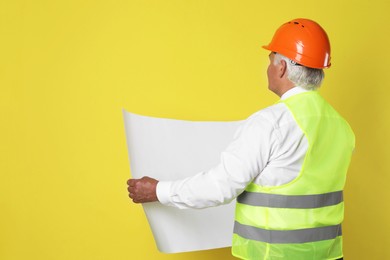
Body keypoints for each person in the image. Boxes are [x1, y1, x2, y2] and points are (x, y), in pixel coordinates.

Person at [127, 18, 355, 260]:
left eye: (270, 61)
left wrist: (158, 190)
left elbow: (221, 186)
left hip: (275, 256)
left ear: (282, 68)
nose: (268, 68)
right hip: (329, 255)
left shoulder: (271, 123)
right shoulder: (342, 127)